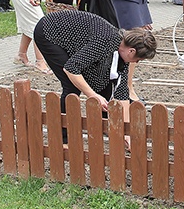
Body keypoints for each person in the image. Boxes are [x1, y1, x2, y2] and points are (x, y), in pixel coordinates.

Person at [34, 10, 157, 145]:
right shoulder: (104, 42)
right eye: (138, 59)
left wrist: (126, 132)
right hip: (49, 32)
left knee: (103, 79)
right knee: (71, 86)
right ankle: (64, 139)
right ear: (131, 51)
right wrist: (92, 95)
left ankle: (105, 124)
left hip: (73, 37)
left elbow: (122, 93)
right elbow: (71, 68)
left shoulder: (122, 54)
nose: (136, 63)